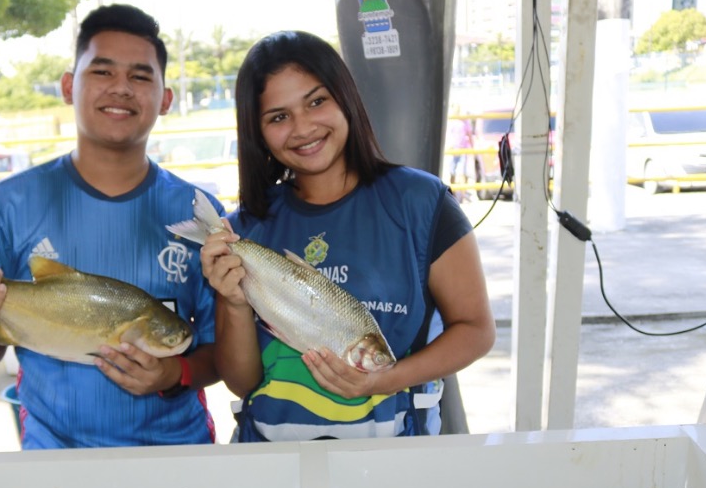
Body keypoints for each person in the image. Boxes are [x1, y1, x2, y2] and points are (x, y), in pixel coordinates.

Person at [0, 4, 223, 449]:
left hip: (178, 453)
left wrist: (174, 373)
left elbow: (220, 353)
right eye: (102, 72)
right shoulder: (11, 201)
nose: (121, 89)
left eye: (140, 76)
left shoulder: (198, 209)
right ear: (68, 86)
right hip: (55, 455)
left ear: (165, 98)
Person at [200, 30, 496, 442]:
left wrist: (383, 380)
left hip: (394, 459)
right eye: (278, 117)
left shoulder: (420, 201)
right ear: (257, 132)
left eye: (317, 101)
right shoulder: (246, 229)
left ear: (346, 98)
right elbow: (242, 383)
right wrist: (232, 302)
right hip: (272, 460)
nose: (303, 128)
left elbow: (476, 330)